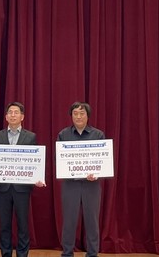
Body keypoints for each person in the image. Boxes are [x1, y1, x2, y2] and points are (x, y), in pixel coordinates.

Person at [0, 102, 45, 257]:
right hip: (3, 187)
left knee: (23, 225)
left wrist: (37, 177)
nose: (13, 115)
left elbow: (34, 162)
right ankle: (5, 253)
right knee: (4, 225)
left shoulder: (31, 136)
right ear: (6, 117)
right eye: (10, 112)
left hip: (22, 188)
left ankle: (22, 254)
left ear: (22, 116)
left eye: (16, 112)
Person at [56, 102, 105, 257]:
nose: (78, 116)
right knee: (69, 221)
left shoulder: (98, 135)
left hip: (92, 185)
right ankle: (67, 253)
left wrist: (97, 172)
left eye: (82, 113)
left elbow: (103, 160)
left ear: (88, 116)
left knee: (92, 221)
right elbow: (59, 160)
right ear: (71, 116)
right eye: (75, 113)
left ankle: (92, 253)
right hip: (70, 185)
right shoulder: (63, 134)